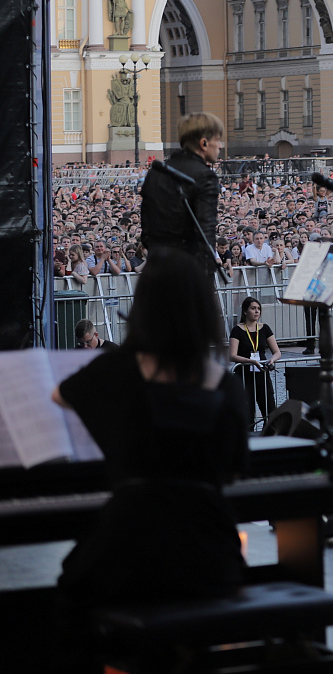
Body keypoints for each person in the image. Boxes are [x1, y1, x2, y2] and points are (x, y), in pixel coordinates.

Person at [51, 250, 249, 610]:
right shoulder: (227, 387)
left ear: (142, 309)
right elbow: (233, 473)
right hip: (211, 553)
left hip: (129, 546)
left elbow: (60, 394)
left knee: (70, 592)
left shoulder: (114, 370)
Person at [139, 112, 223, 273]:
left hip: (155, 271)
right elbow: (206, 231)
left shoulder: (156, 172)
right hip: (189, 272)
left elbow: (147, 231)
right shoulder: (205, 176)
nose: (220, 146)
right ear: (203, 143)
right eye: (217, 140)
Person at [227, 295, 281, 429]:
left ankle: (269, 439)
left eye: (258, 309)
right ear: (245, 311)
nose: (257, 311)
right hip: (244, 375)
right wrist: (251, 361)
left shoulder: (264, 328)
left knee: (269, 410)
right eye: (253, 308)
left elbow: (277, 352)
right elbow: (232, 356)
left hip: (261, 373)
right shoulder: (237, 330)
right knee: (247, 412)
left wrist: (271, 360)